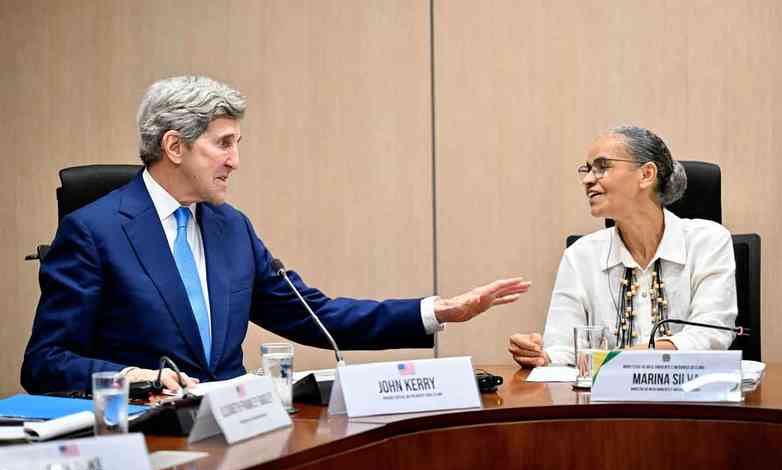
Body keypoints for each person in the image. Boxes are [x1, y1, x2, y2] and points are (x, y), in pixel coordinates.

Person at [21, 76, 530, 394]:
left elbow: (316, 316)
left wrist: (438, 311)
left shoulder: (231, 228)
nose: (235, 161)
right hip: (147, 443)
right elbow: (46, 363)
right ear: (174, 146)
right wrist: (136, 379)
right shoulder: (94, 231)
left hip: (238, 437)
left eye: (237, 143)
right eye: (222, 144)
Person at [509, 126, 736, 367]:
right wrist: (540, 356)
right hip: (605, 403)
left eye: (602, 167)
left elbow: (712, 334)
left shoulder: (708, 241)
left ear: (646, 174)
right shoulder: (581, 255)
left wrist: (615, 359)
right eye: (587, 170)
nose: (587, 180)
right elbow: (564, 349)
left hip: (689, 399)